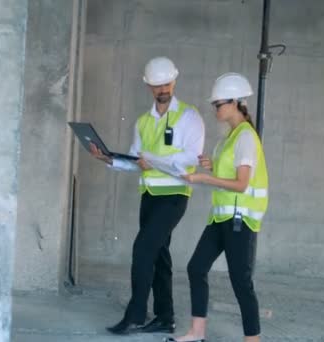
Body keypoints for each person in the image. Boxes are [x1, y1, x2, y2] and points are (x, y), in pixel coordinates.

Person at [90, 56, 205, 335]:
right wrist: (109, 159)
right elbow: (136, 161)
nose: (162, 89)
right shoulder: (143, 121)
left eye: (166, 83)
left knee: (143, 249)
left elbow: (189, 160)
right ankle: (165, 317)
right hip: (150, 195)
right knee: (159, 254)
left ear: (174, 81)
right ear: (148, 87)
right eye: (156, 85)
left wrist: (151, 160)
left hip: (174, 195)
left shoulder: (190, 117)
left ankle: (136, 314)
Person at [166, 72, 269, 342]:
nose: (215, 108)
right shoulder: (230, 137)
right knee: (196, 268)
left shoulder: (246, 136)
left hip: (239, 220)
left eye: (218, 104)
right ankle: (197, 332)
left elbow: (241, 184)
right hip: (221, 218)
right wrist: (211, 165)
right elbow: (230, 171)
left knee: (241, 282)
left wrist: (204, 178)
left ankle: (253, 340)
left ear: (235, 102)